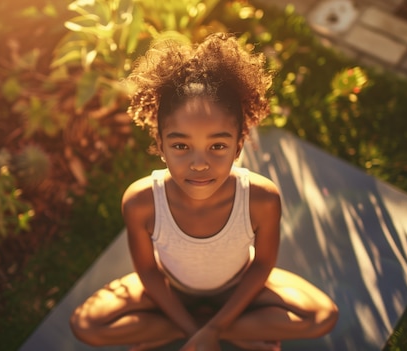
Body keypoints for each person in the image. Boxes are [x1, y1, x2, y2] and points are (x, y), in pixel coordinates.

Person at [70, 33, 339, 351]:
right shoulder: (141, 202)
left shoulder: (260, 198)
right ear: (160, 145)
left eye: (217, 146)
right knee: (86, 325)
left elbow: (263, 265)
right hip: (173, 289)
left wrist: (215, 327)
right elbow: (147, 270)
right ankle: (229, 332)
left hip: (237, 286)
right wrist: (196, 330)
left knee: (322, 316)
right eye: (181, 145)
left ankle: (191, 329)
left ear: (239, 145)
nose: (200, 164)